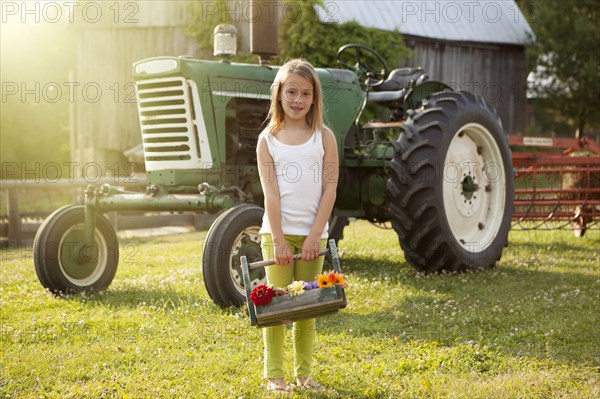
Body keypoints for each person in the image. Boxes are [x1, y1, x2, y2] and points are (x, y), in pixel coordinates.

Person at [256, 58, 339, 392]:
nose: (297, 99)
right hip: (276, 234)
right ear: (279, 93)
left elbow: (330, 187)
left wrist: (315, 235)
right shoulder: (268, 140)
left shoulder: (324, 137)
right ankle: (274, 375)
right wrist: (277, 240)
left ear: (314, 98)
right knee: (274, 307)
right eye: (291, 91)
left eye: (306, 93)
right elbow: (271, 193)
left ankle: (303, 375)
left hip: (313, 237)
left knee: (307, 308)